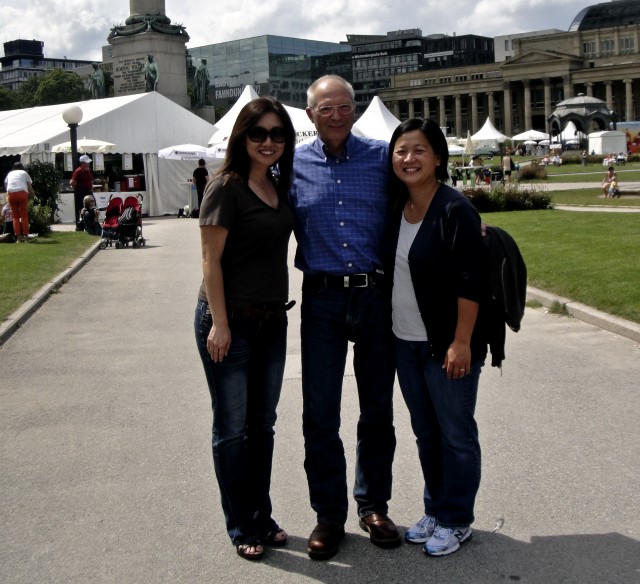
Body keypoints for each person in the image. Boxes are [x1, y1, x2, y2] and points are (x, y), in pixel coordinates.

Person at [289, 75, 399, 560]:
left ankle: (373, 504)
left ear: (354, 110)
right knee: (320, 413)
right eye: (326, 108)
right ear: (309, 115)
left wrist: (468, 218)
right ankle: (329, 514)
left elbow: (426, 191)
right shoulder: (291, 163)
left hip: (375, 297)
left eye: (344, 107)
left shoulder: (381, 157)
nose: (336, 115)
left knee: (377, 409)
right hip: (322, 302)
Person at [194, 97, 296, 562]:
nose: (269, 142)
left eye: (277, 134)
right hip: (228, 321)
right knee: (232, 428)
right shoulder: (226, 187)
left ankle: (262, 514)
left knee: (263, 426)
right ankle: (241, 524)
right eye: (258, 133)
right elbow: (210, 261)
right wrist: (218, 324)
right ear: (242, 137)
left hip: (273, 321)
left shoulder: (278, 185)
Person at [382, 118, 486, 557]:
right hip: (406, 341)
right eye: (402, 150)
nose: (409, 159)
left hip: (447, 345)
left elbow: (471, 281)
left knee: (455, 434)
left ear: (438, 157)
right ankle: (437, 507)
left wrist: (461, 342)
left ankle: (457, 519)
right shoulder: (397, 209)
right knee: (426, 433)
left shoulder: (454, 209)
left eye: (419, 150)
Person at [4, 162, 36, 242]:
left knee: (15, 217)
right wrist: (32, 193)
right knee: (24, 216)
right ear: (22, 167)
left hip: (11, 194)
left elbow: (6, 185)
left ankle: (18, 238)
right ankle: (26, 237)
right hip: (22, 193)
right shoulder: (24, 173)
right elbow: (29, 185)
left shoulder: (10, 173)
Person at [70, 155, 94, 231]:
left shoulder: (88, 170)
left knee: (91, 207)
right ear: (82, 163)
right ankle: (81, 225)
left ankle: (90, 223)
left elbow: (90, 180)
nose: (88, 164)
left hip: (88, 191)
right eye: (87, 163)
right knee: (81, 208)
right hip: (81, 192)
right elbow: (72, 182)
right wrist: (78, 188)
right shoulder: (78, 171)